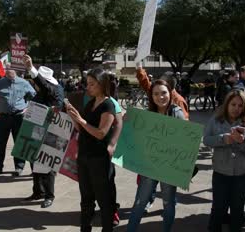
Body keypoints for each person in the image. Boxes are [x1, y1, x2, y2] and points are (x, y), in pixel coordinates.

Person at [126, 79, 186, 232]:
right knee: (140, 202)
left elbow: (184, 142)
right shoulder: (147, 114)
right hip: (149, 167)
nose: (160, 97)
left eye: (164, 93)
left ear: (170, 93)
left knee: (168, 203)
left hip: (168, 168)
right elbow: (137, 139)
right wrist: (128, 122)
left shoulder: (177, 113)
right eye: (156, 94)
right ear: (151, 96)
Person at [66, 68, 116, 232]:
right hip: (85, 158)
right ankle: (85, 228)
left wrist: (81, 120)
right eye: (87, 84)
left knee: (104, 199)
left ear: (102, 84)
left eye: (92, 84)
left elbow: (101, 133)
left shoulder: (108, 105)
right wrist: (75, 119)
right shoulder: (90, 103)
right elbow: (83, 130)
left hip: (99, 160)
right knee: (86, 198)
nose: (88, 87)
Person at [203, 89, 245, 232]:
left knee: (237, 209)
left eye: (240, 106)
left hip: (244, 173)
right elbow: (206, 140)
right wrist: (223, 139)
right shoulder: (215, 120)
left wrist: (242, 141)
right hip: (221, 172)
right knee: (218, 208)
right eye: (233, 104)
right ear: (227, 104)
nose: (236, 109)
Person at [22, 55, 64, 208]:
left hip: (52, 132)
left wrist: (31, 68)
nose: (34, 84)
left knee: (47, 164)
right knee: (33, 160)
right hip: (37, 129)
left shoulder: (54, 89)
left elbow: (45, 87)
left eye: (36, 81)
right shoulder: (42, 90)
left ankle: (49, 195)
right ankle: (38, 191)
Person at [0, 67, 36, 177]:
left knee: (19, 143)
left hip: (19, 117)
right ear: (5, 72)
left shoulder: (23, 83)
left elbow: (34, 96)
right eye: (7, 71)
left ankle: (19, 167)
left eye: (12, 71)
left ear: (16, 71)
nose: (10, 73)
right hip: (3, 117)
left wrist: (28, 107)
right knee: (0, 143)